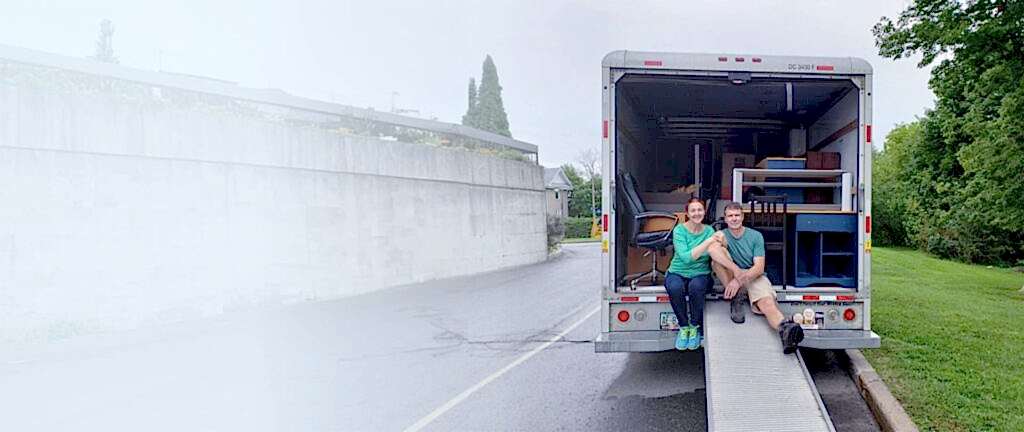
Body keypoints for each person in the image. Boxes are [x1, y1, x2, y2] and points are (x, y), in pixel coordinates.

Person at [706, 202, 805, 354]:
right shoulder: (722, 235)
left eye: (737, 215)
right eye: (730, 216)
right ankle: (736, 297)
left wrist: (739, 280)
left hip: (753, 275)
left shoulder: (755, 236)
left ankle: (785, 329)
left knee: (767, 303)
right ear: (725, 219)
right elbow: (712, 250)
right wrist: (736, 272)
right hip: (733, 274)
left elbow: (759, 268)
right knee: (716, 260)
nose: (734, 219)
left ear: (742, 217)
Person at [664, 198, 716, 350]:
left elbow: (713, 253)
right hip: (677, 271)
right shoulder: (679, 230)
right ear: (687, 213)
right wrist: (707, 243)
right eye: (693, 210)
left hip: (701, 272)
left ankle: (694, 327)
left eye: (700, 210)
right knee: (674, 288)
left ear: (704, 212)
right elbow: (686, 258)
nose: (696, 213)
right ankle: (684, 327)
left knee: (696, 287)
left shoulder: (709, 231)